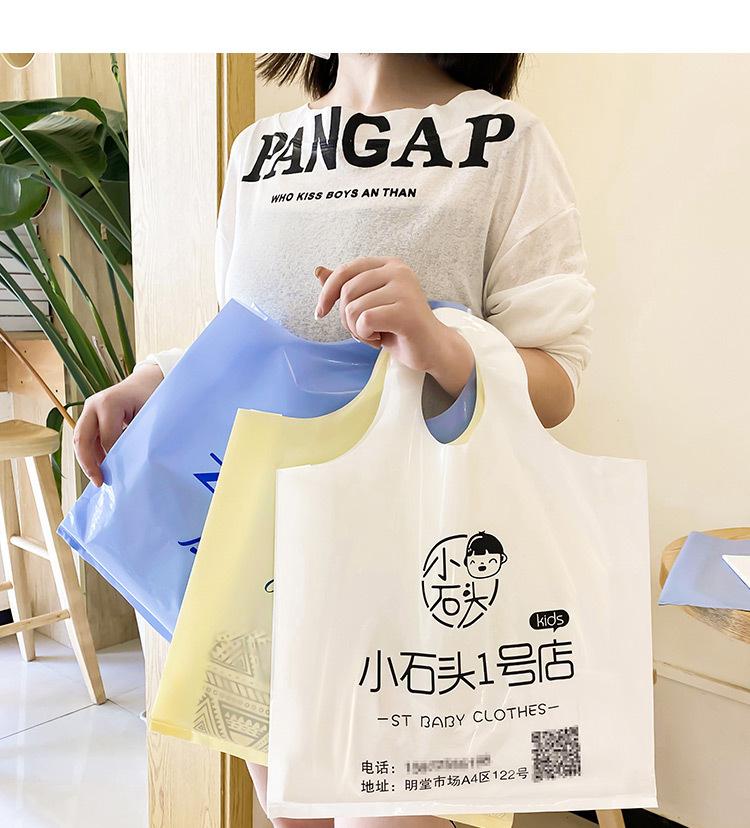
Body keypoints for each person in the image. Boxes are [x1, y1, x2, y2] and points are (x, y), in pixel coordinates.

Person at [72, 53, 595, 828]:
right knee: (291, 810)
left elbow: (556, 383)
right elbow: (261, 339)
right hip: (267, 549)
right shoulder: (259, 150)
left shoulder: (503, 140)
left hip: (419, 561)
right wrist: (155, 379)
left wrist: (442, 343)